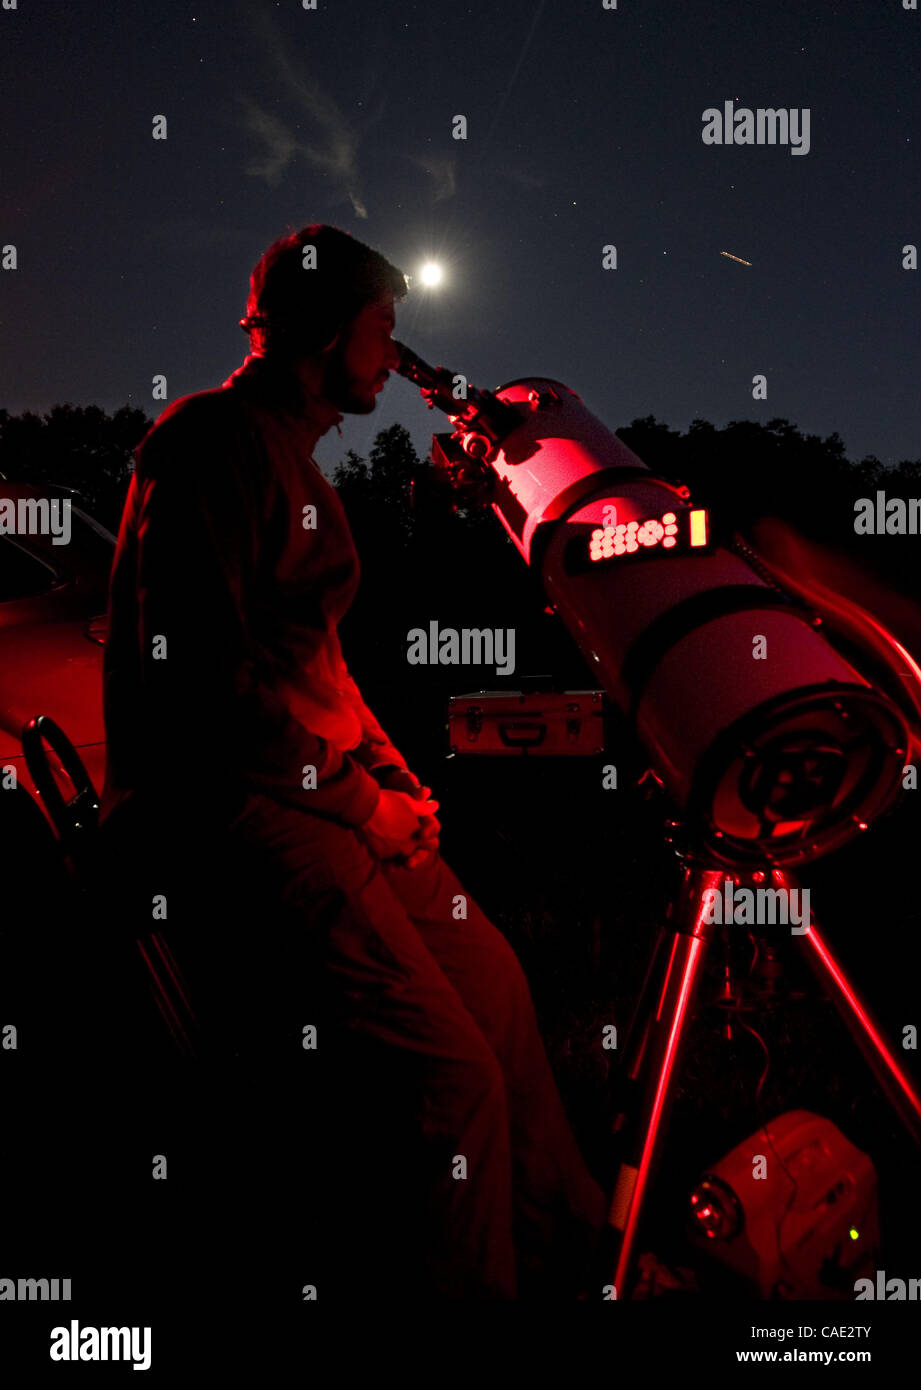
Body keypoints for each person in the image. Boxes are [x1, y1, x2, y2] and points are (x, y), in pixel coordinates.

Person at [98, 222, 607, 1299]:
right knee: (453, 1078)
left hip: (324, 792)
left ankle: (577, 1253)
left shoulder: (300, 466)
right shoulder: (208, 445)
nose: (394, 354)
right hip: (240, 809)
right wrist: (352, 799)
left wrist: (386, 770)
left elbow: (310, 659)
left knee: (503, 996)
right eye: (383, 328)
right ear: (326, 331)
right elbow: (202, 686)